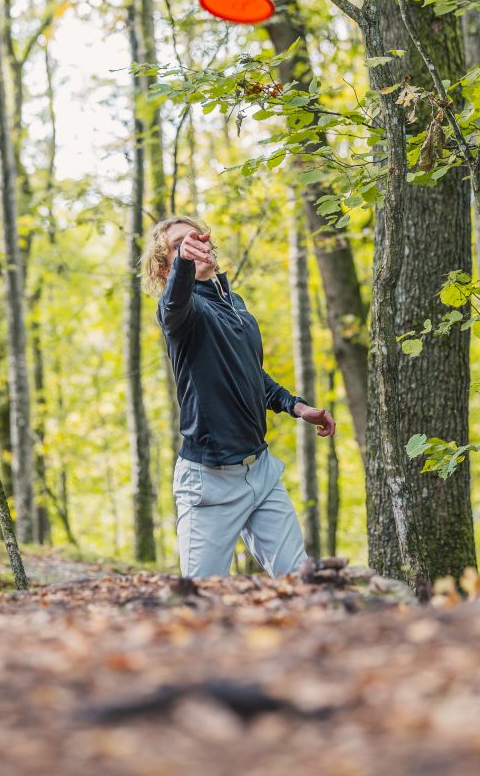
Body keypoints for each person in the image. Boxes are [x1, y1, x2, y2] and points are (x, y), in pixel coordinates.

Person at [141, 214, 335, 579]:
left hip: (259, 472)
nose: (192, 244)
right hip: (209, 483)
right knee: (199, 598)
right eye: (178, 245)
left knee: (300, 579)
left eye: (195, 237)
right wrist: (185, 263)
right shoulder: (184, 313)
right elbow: (172, 307)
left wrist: (296, 405)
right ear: (167, 268)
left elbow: (249, 372)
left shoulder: (234, 303)